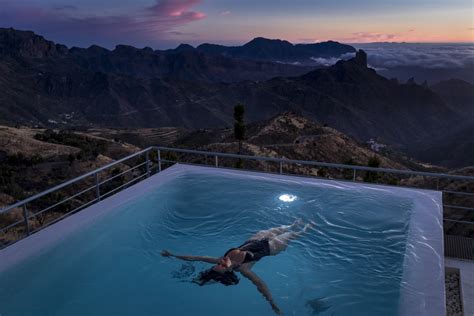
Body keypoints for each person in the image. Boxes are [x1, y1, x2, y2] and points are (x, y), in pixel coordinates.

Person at [161, 219, 313, 315]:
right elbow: (260, 285)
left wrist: (172, 255)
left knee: (275, 229)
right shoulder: (244, 269)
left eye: (218, 263)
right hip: (271, 248)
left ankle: (291, 224)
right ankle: (304, 230)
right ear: (227, 270)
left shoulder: (219, 260)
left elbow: (195, 258)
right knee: (290, 235)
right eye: (222, 264)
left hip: (253, 241)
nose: (221, 261)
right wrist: (272, 304)